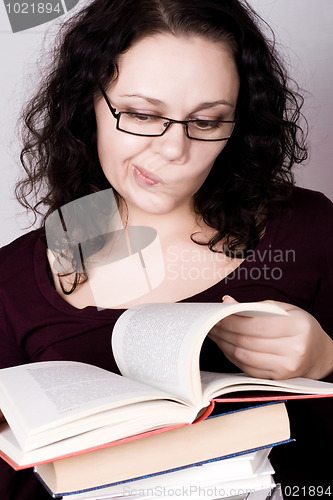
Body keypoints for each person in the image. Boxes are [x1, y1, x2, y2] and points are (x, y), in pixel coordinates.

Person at [1, 0, 332, 498]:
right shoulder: (12, 278)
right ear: (86, 103)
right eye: (140, 113)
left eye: (206, 122)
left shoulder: (311, 230)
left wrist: (327, 361)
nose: (174, 150)